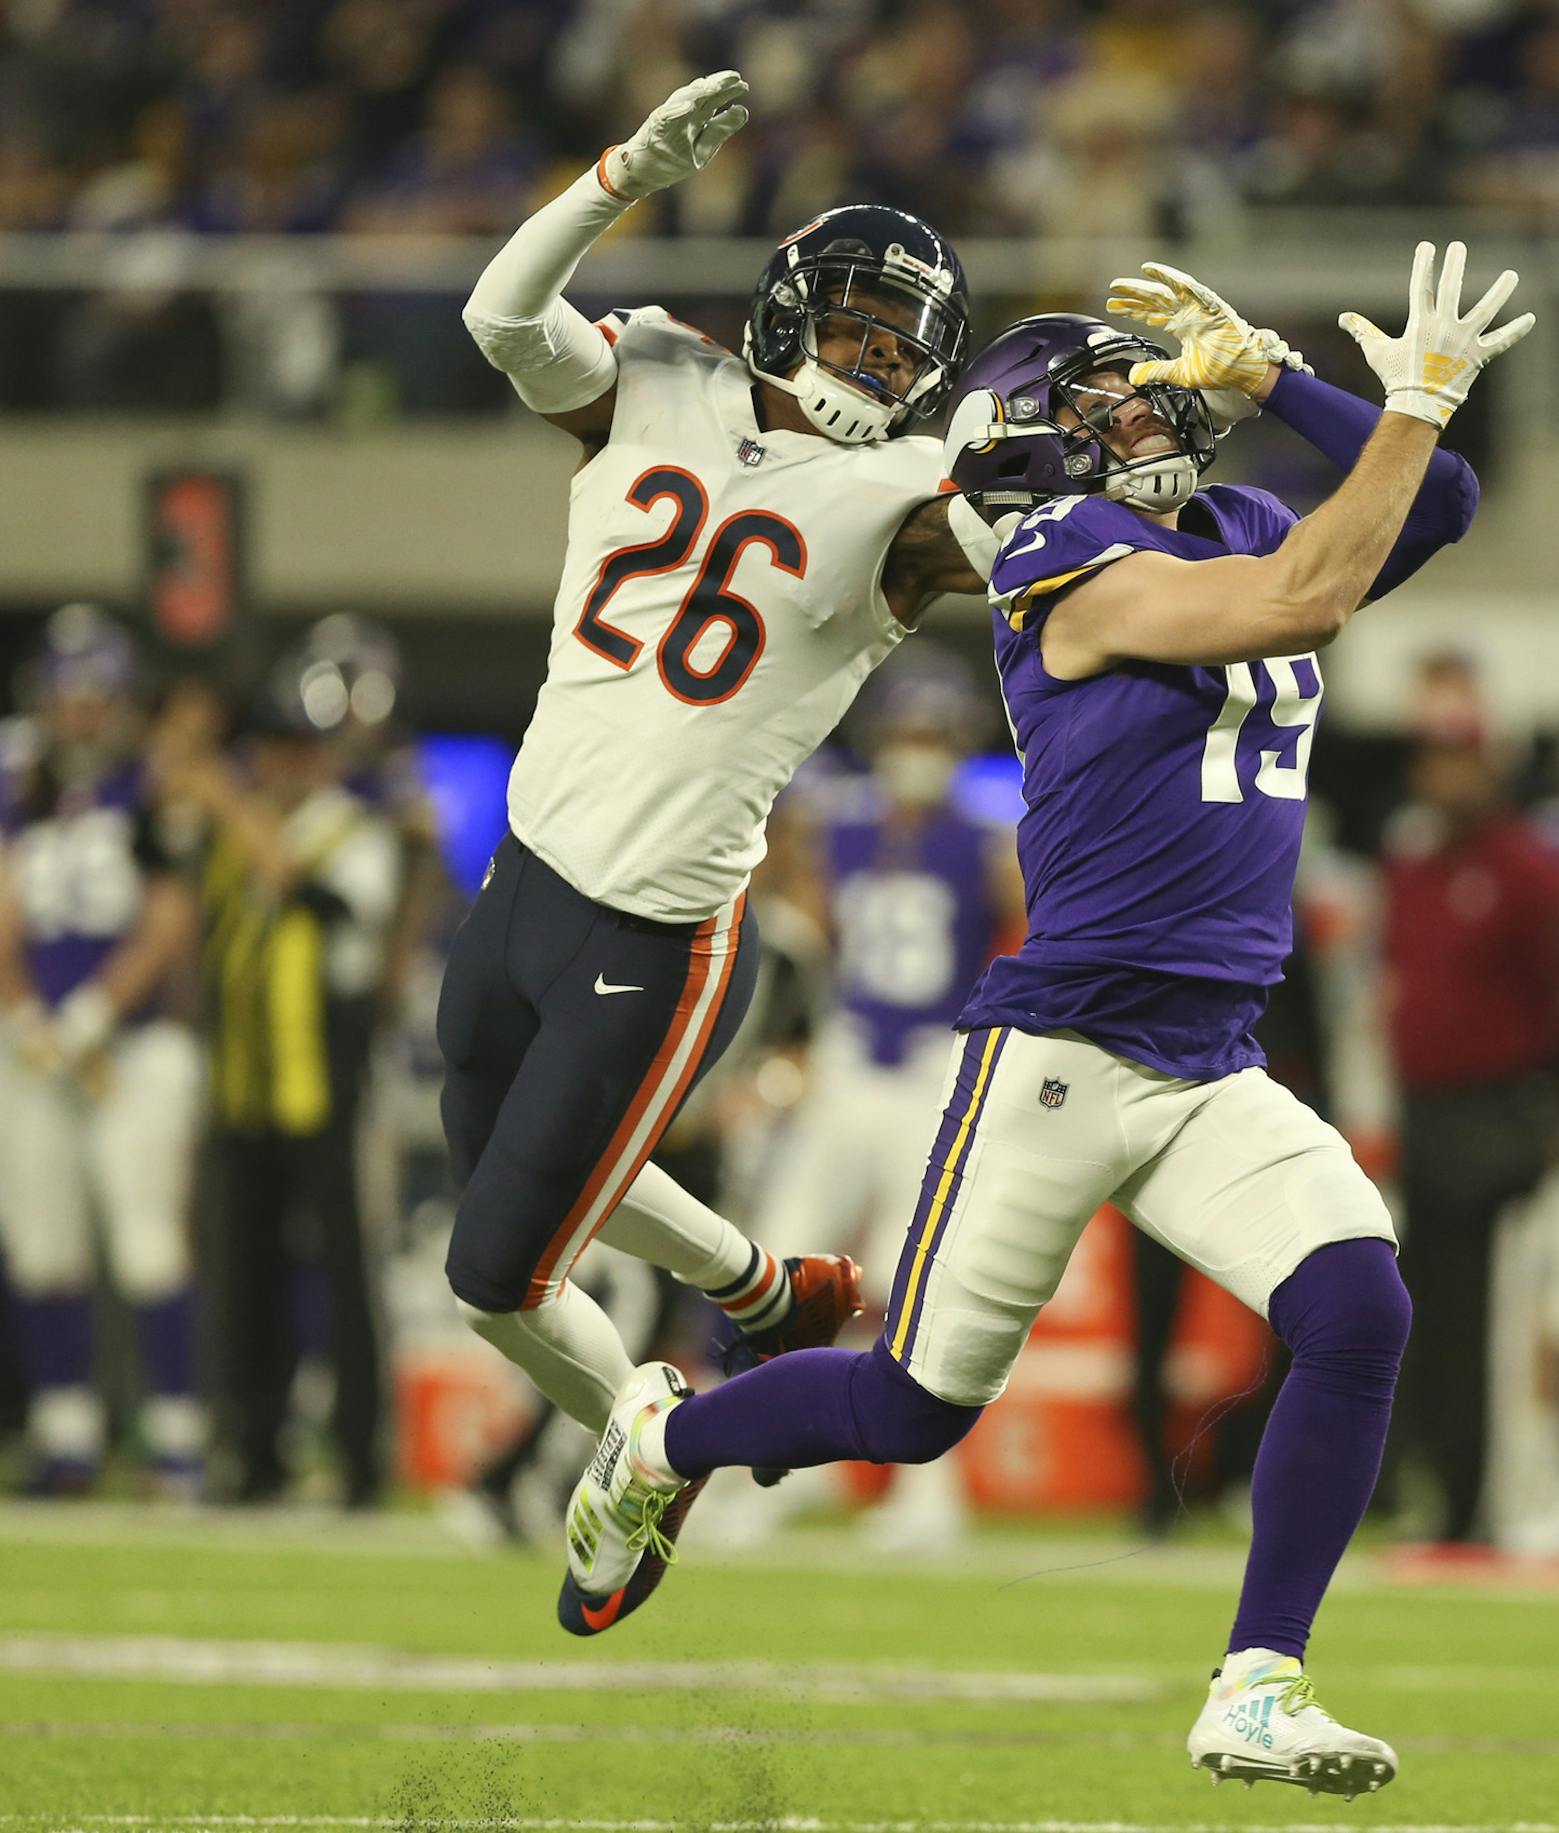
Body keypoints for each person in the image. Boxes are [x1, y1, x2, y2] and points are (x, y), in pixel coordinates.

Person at [570, 242, 1534, 1797]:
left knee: (1360, 1307)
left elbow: (1438, 506)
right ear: (1030, 438)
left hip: (1211, 1055)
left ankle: (1259, 1683)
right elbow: (1312, 592)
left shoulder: (1238, 519)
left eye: (1153, 390)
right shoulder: (1059, 555)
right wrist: (1411, 403)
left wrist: (1283, 380)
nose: (1149, 409)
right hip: (1068, 1051)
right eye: (1109, 398)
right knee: (912, 1405)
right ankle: (663, 1442)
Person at [442, 68, 986, 1627]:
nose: (878, 363)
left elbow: (1041, 537)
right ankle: (765, 1289)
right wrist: (617, 174)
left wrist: (1100, 443)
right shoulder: (662, 377)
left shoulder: (909, 497)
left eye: (905, 348)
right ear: (790, 309)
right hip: (525, 872)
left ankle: (647, 1446)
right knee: (521, 1174)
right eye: (859, 328)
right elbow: (499, 313)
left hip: (657, 931)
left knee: (496, 1279)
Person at [750, 655, 1023, 1551]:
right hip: (845, 1058)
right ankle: (775, 1466)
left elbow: (1034, 930)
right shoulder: (834, 831)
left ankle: (929, 1490)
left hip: (932, 1070)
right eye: (909, 732)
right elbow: (793, 924)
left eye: (935, 735)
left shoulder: (988, 846)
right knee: (783, 1264)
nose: (919, 750)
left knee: (921, 1282)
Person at [168, 658, 402, 1507]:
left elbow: (315, 899)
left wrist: (230, 806)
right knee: (245, 1273)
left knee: (343, 1274)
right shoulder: (235, 829)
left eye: (296, 748)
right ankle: (253, 1449)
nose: (279, 764)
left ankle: (361, 1457)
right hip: (244, 1083)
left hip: (327, 1086)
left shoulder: (355, 830)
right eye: (269, 747)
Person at [0, 606, 204, 1496]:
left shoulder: (151, 787)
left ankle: (178, 1441)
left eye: (95, 695)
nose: (81, 713)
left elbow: (170, 919)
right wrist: (24, 1016)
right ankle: (67, 1437)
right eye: (68, 694)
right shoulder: (21, 786)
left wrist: (91, 1013)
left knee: (147, 1244)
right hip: (35, 1049)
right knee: (43, 1245)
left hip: (136, 1048)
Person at [1381, 702, 1559, 1547]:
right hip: (1425, 1115)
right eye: (1434, 759)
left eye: (1460, 759)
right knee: (1432, 1321)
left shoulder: (1528, 867)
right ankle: (1448, 1497)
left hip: (1499, 1115)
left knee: (1498, 1323)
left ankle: (1500, 1499)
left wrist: (1553, 1112)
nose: (1444, 775)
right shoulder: (1413, 865)